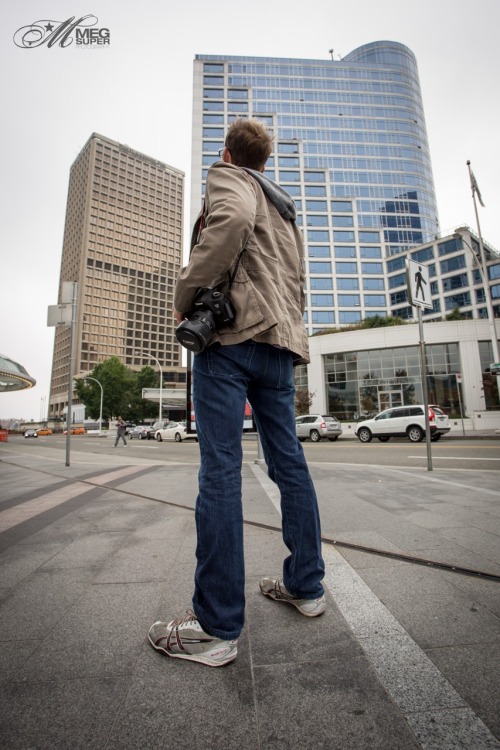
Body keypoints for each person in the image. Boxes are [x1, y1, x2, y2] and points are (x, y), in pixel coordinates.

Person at [148, 119, 325, 668]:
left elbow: (230, 224)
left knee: (221, 469)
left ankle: (217, 627)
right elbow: (299, 280)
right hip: (280, 341)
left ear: (229, 153)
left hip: (231, 341)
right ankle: (306, 587)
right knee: (289, 464)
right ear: (266, 161)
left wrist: (185, 293)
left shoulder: (231, 179)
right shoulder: (287, 207)